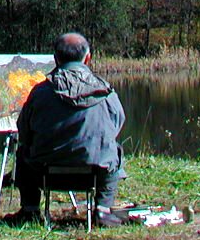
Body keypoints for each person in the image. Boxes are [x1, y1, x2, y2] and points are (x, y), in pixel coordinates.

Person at [10, 32, 126, 227]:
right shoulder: (105, 91)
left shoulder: (39, 93)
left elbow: (24, 131)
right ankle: (103, 210)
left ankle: (30, 211)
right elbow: (117, 125)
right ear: (87, 58)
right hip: (94, 173)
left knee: (23, 152)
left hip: (45, 174)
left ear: (56, 58)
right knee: (115, 150)